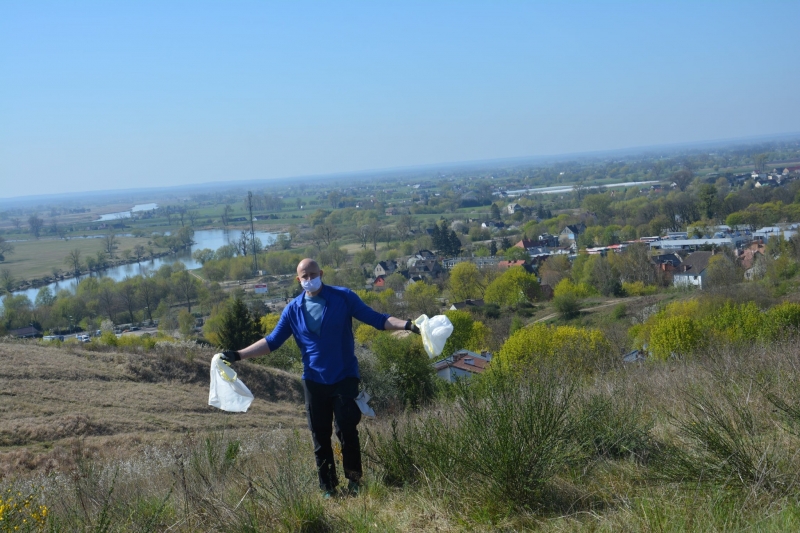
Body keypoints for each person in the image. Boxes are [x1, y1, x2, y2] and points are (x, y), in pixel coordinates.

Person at [220, 258, 419, 497]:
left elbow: (377, 319)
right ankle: (328, 489)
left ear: (321, 273)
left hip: (345, 376)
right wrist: (237, 355)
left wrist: (407, 325)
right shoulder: (293, 310)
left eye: (312, 274)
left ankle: (355, 483)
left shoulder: (343, 297)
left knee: (346, 429)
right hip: (313, 380)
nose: (308, 279)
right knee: (320, 436)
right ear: (298, 279)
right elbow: (272, 342)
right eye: (304, 276)